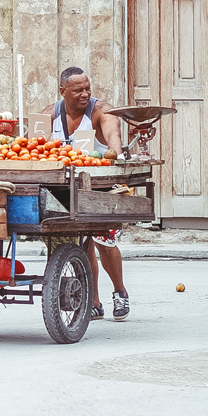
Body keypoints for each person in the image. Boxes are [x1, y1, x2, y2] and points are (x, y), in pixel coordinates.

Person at [42, 66, 130, 321]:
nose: (85, 93)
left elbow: (116, 149)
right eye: (78, 89)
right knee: (82, 243)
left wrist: (115, 155)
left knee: (103, 240)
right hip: (65, 189)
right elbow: (34, 150)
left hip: (102, 186)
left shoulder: (103, 112)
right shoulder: (49, 115)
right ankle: (94, 301)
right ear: (63, 92)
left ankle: (119, 291)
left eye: (88, 88)